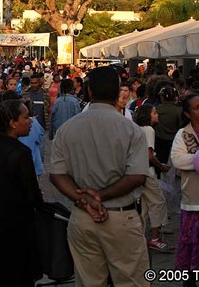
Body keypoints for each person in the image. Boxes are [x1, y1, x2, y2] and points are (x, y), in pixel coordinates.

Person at [49, 66, 150, 287]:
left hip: (83, 217)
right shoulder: (132, 131)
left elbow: (56, 174)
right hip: (122, 218)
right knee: (131, 281)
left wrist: (86, 200)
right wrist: (100, 197)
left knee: (89, 281)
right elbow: (136, 176)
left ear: (90, 92)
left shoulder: (67, 130)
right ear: (118, 93)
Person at [0, 99, 43, 287]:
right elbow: (32, 194)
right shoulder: (20, 153)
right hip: (15, 227)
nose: (30, 121)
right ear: (13, 123)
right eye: (26, 117)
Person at [171, 93, 199, 287]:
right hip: (197, 200)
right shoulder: (184, 134)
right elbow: (177, 159)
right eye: (197, 107)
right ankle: (190, 281)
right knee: (193, 242)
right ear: (188, 114)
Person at [133, 104, 173, 253]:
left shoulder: (136, 129)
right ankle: (155, 238)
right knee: (158, 202)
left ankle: (140, 237)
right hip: (148, 172)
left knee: (143, 205)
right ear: (148, 115)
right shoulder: (149, 130)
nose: (157, 115)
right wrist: (161, 166)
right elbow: (149, 154)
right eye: (154, 113)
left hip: (138, 172)